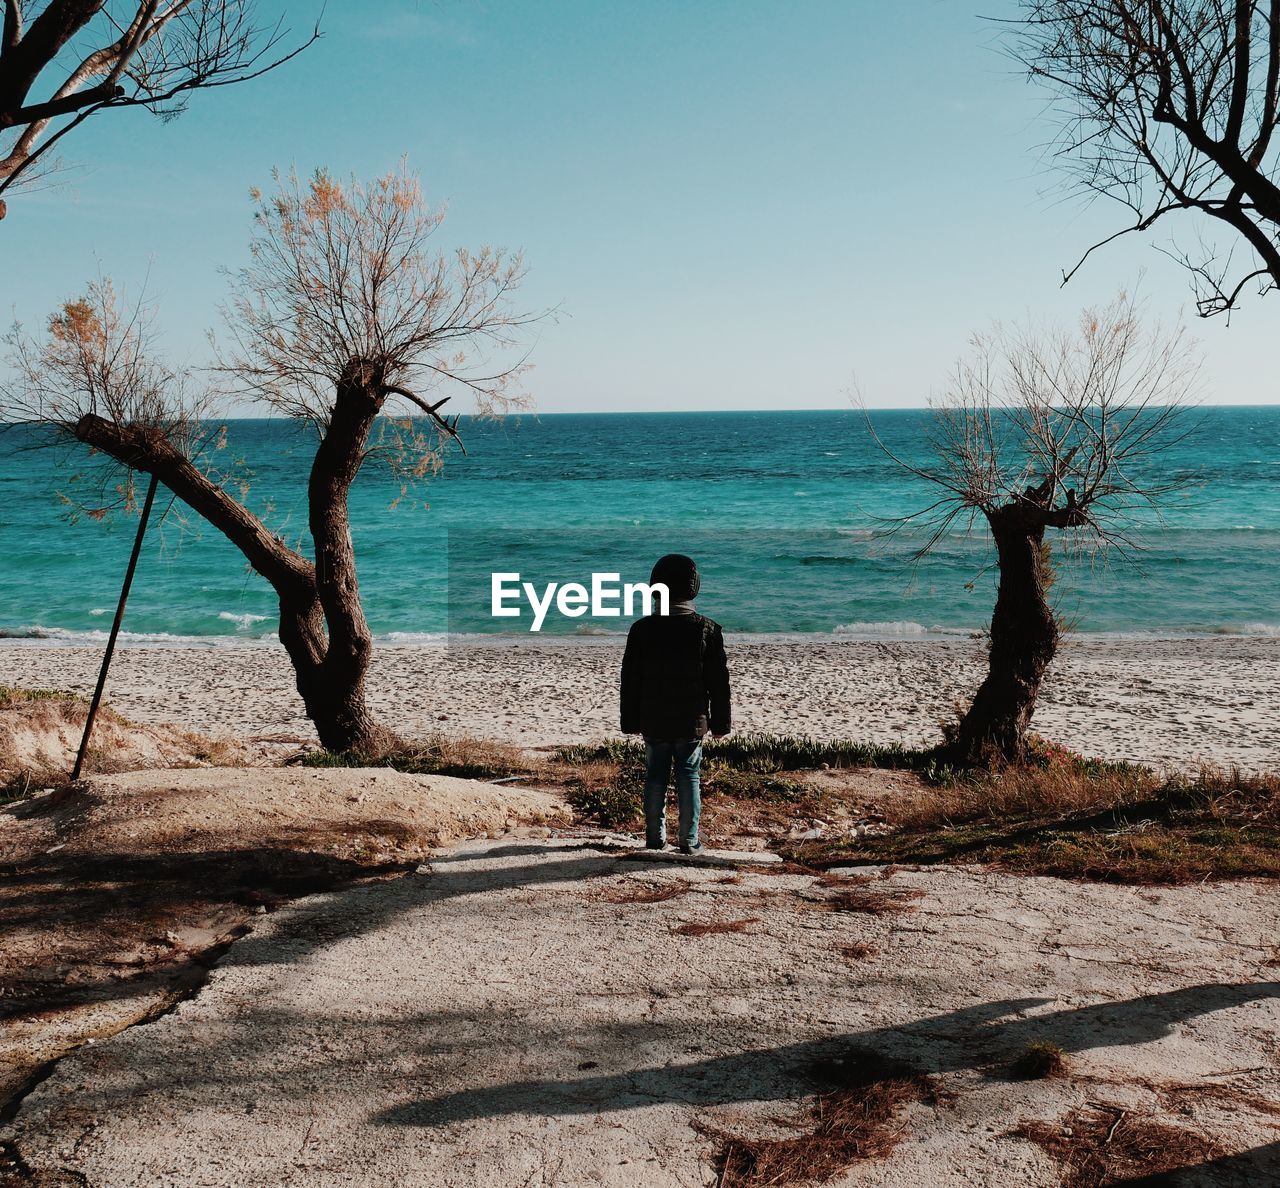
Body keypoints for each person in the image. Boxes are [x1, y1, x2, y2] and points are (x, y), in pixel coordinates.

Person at [620, 553, 732, 855]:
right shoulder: (707, 630)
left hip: (653, 717)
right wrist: (721, 723)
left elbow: (630, 680)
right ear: (694, 587)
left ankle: (655, 839)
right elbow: (719, 683)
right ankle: (689, 840)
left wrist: (630, 721)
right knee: (689, 775)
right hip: (690, 719)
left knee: (655, 775)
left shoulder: (641, 630)